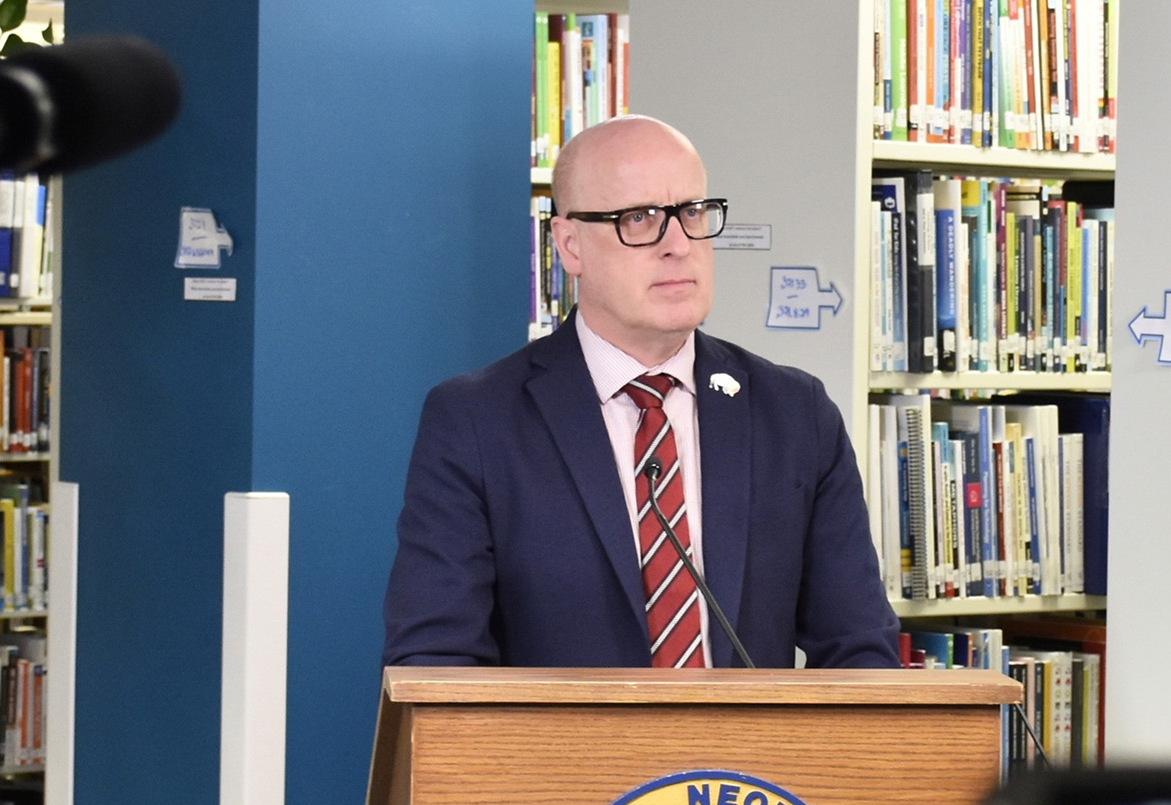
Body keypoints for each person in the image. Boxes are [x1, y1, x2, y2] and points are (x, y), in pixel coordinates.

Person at [382, 115, 899, 669]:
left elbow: (859, 650)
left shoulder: (797, 416)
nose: (677, 244)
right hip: (561, 757)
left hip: (749, 757)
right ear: (570, 245)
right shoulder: (476, 422)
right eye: (640, 218)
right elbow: (435, 664)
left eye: (692, 213)